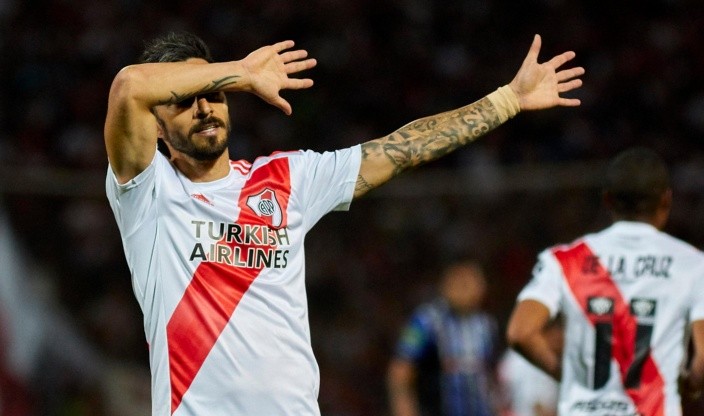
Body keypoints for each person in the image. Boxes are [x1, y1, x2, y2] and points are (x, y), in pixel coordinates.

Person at [103, 30, 584, 416]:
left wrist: (507, 101)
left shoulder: (288, 179)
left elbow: (400, 149)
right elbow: (128, 88)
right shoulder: (148, 193)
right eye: (186, 98)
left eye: (215, 94)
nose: (205, 105)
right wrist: (240, 72)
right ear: (157, 130)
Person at [505, 147, 704, 416]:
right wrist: (688, 387)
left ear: (607, 200)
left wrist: (568, 377)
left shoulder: (565, 261)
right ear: (666, 200)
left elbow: (520, 332)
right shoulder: (696, 267)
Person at [387, 260, 500, 416]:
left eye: (468, 282)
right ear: (444, 285)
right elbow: (400, 371)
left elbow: (491, 377)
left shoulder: (487, 325)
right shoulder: (425, 321)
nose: (463, 288)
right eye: (458, 281)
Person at [497, 318, 561, 416]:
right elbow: (540, 408)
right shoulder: (535, 360)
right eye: (555, 333)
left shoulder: (510, 356)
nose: (560, 338)